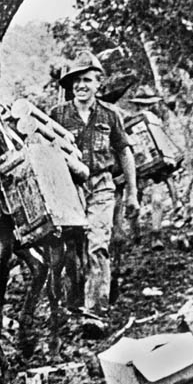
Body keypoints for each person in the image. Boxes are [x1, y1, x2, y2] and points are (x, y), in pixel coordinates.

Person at [50, 50, 139, 316]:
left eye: (87, 80)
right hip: (69, 190)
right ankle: (73, 304)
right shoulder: (58, 115)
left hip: (101, 186)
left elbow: (124, 152)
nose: (81, 85)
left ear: (98, 83)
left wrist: (132, 194)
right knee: (70, 250)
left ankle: (96, 312)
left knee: (98, 244)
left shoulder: (110, 115)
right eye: (76, 81)